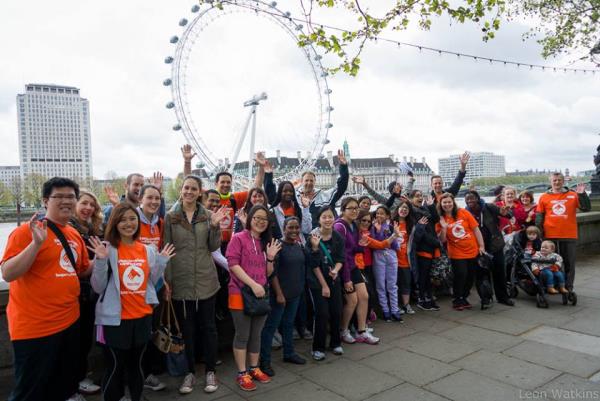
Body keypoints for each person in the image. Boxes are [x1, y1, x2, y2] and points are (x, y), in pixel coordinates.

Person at [1, 177, 90, 401]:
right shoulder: (25, 232)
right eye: (58, 196)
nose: (66, 201)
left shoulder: (74, 234)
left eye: (70, 196)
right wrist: (35, 244)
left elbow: (81, 271)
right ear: (45, 201)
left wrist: (104, 259)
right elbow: (9, 273)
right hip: (35, 328)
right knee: (30, 391)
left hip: (70, 323)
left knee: (62, 386)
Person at [89, 203, 175, 401]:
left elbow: (151, 283)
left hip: (142, 317)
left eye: (132, 219)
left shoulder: (148, 250)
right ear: (114, 223)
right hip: (114, 321)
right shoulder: (107, 249)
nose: (128, 224)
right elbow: (97, 287)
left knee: (137, 366)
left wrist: (161, 262)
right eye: (123, 219)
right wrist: (100, 261)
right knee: (115, 367)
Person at [163, 175, 227, 395]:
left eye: (193, 188)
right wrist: (168, 282)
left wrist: (215, 227)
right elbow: (167, 250)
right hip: (181, 280)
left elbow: (212, 246)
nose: (189, 192)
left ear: (200, 192)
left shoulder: (208, 215)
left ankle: (210, 371)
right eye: (186, 188)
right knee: (187, 329)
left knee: (209, 328)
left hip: (206, 280)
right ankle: (189, 372)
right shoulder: (171, 217)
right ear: (181, 190)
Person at [225, 205, 281, 391]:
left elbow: (268, 272)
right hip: (240, 293)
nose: (260, 221)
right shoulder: (239, 238)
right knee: (242, 335)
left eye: (264, 219)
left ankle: (254, 368)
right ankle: (242, 373)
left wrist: (271, 258)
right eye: (257, 217)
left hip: (260, 294)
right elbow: (232, 264)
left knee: (256, 334)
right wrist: (252, 284)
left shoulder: (266, 243)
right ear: (250, 219)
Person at [259, 217, 310, 376]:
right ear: (284, 228)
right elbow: (272, 273)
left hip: (295, 293)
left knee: (288, 324)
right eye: (290, 228)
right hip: (279, 295)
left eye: (296, 228)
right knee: (270, 328)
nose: (294, 231)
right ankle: (264, 362)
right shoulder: (278, 246)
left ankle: (289, 353)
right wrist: (279, 293)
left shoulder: (298, 245)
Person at [69, 189, 104, 397]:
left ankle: (79, 378)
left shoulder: (92, 229)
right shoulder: (69, 229)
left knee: (83, 340)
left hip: (89, 291)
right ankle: (73, 382)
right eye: (84, 203)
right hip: (76, 292)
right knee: (75, 340)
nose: (88, 208)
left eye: (92, 204)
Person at [335, 197, 379, 345]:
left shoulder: (353, 225)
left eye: (356, 208)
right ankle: (344, 330)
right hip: (344, 269)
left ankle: (361, 331)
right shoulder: (340, 227)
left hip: (352, 266)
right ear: (343, 210)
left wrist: (360, 246)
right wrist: (346, 278)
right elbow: (341, 255)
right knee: (352, 300)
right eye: (351, 208)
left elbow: (352, 250)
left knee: (364, 296)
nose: (354, 211)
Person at [536, 173, 591, 292]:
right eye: (554, 180)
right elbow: (539, 216)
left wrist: (582, 194)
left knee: (569, 264)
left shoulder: (573, 194)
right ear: (550, 181)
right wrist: (539, 232)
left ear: (563, 181)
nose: (557, 182)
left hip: (569, 235)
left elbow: (586, 208)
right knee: (551, 263)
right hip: (549, 235)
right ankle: (555, 285)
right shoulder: (544, 197)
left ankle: (569, 287)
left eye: (559, 180)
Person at [437, 193, 488, 310]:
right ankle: (457, 298)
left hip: (472, 250)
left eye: (449, 202)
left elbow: (476, 229)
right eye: (444, 202)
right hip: (456, 253)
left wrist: (481, 246)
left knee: (470, 276)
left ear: (453, 202)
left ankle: (463, 297)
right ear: (440, 204)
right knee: (461, 275)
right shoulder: (440, 218)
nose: (447, 204)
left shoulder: (463, 212)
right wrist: (444, 228)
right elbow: (442, 240)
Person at [464, 190, 514, 306]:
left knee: (499, 273)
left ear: (477, 198)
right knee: (481, 274)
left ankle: (503, 297)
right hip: (478, 248)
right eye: (467, 199)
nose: (470, 200)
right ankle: (485, 298)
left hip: (495, 245)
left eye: (472, 198)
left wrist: (506, 212)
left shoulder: (489, 207)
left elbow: (507, 214)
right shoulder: (465, 212)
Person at [307, 206, 345, 361]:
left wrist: (336, 270)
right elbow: (313, 264)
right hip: (318, 282)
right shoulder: (313, 237)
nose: (328, 220)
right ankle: (318, 347)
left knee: (336, 312)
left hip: (334, 279)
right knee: (322, 314)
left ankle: (335, 342)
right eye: (324, 217)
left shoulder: (337, 237)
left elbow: (340, 259)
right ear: (319, 219)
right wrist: (324, 285)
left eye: (330, 216)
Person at [294, 149, 349, 228]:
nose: (309, 183)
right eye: (306, 180)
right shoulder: (295, 196)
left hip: (322, 235)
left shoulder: (324, 196)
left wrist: (343, 167)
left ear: (315, 182)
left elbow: (341, 188)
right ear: (301, 181)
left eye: (311, 181)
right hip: (302, 236)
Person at [406, 189, 441, 311]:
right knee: (423, 275)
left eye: (421, 195)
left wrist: (431, 206)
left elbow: (435, 220)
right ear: (411, 199)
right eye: (416, 196)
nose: (420, 198)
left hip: (430, 248)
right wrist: (436, 242)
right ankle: (422, 299)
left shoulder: (425, 209)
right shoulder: (413, 213)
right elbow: (421, 235)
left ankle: (429, 298)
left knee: (427, 275)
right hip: (422, 248)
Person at [370, 205, 402, 322]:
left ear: (388, 215)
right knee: (380, 285)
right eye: (377, 213)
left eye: (382, 213)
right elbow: (374, 243)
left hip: (391, 256)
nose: (379, 215)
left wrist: (393, 235)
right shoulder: (372, 227)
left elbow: (395, 246)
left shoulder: (391, 227)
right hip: (378, 256)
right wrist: (378, 232)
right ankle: (385, 309)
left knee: (392, 284)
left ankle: (394, 310)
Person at [394, 201, 416, 315]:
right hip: (393, 260)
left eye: (406, 208)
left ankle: (406, 304)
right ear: (397, 209)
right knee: (394, 284)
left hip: (406, 259)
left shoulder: (411, 225)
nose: (404, 210)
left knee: (406, 283)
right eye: (402, 207)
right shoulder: (391, 223)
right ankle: (395, 305)